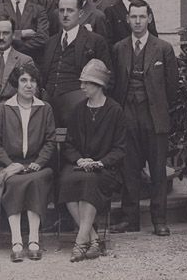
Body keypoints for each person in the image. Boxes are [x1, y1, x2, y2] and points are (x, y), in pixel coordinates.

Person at [111, 0, 177, 237]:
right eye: (133, 17)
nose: (137, 21)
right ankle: (130, 219)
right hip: (127, 115)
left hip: (154, 117)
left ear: (149, 18)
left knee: (158, 171)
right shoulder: (119, 48)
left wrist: (161, 112)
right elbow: (115, 85)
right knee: (129, 169)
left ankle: (159, 220)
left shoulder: (163, 48)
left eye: (141, 17)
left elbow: (172, 88)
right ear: (127, 19)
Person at [59, 59, 126, 262]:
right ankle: (94, 240)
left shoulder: (115, 111)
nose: (82, 87)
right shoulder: (78, 110)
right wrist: (79, 160)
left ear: (99, 85)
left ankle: (80, 242)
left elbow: (120, 148)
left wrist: (99, 163)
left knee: (90, 181)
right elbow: (69, 144)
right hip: (80, 165)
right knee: (65, 181)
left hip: (105, 169)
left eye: (86, 83)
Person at [0, 64, 56, 262]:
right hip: (9, 165)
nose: (29, 85)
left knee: (36, 181)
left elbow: (50, 140)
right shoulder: (4, 108)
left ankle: (34, 240)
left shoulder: (45, 108)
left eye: (33, 81)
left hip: (36, 165)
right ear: (16, 84)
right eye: (24, 80)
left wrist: (40, 162)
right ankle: (16, 241)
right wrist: (10, 164)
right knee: (14, 182)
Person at [40, 0, 111, 128]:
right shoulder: (51, 42)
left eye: (70, 10)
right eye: (62, 11)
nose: (65, 15)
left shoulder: (95, 41)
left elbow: (106, 78)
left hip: (79, 104)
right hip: (49, 104)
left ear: (81, 13)